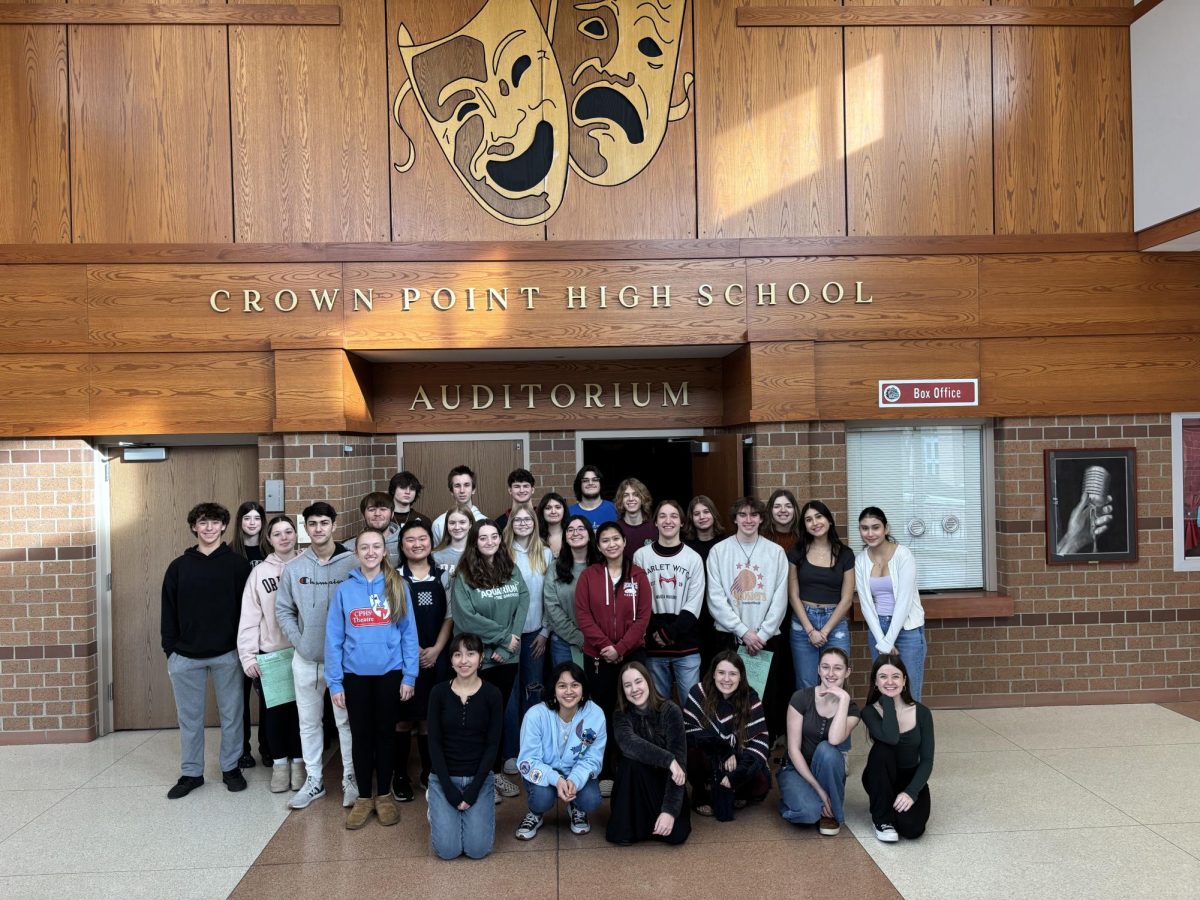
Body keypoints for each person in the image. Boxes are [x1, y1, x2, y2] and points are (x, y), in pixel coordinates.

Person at [325, 529, 419, 829]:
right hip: (355, 677)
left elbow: (408, 633)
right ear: (357, 553)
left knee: (385, 736)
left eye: (376, 547)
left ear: (384, 551)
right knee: (360, 737)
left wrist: (410, 675)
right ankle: (364, 796)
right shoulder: (344, 591)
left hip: (389, 674)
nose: (370, 552)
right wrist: (335, 682)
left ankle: (384, 794)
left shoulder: (397, 585)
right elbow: (333, 639)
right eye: (364, 547)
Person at [161, 502, 252, 799]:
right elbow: (168, 612)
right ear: (194, 527)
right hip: (185, 657)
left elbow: (248, 611)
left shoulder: (237, 565)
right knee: (189, 719)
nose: (209, 527)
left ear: (224, 526)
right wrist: (170, 650)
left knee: (232, 714)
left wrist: (243, 649)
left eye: (215, 522)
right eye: (203, 523)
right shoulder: (179, 567)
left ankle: (230, 768)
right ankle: (191, 773)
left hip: (228, 653)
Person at [274, 501, 359, 811]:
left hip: (345, 662)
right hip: (307, 659)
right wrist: (300, 642)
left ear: (334, 526)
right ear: (305, 528)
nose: (319, 529)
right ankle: (314, 780)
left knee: (346, 723)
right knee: (309, 723)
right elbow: (283, 609)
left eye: (324, 523)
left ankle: (350, 778)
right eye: (313, 524)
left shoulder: (352, 564)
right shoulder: (294, 568)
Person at [450, 519, 530, 803]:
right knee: (476, 719)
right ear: (474, 541)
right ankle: (477, 778)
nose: (489, 541)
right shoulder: (464, 573)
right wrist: (501, 639)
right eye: (482, 538)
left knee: (497, 718)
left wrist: (510, 643)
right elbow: (466, 617)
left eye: (494, 536)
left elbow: (523, 599)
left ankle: (494, 773)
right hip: (478, 657)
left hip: (508, 657)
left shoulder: (509, 567)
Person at [705, 497, 789, 741]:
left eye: (754, 515)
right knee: (728, 693)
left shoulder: (775, 553)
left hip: (766, 639)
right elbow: (716, 598)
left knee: (764, 696)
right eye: (743, 515)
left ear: (762, 518)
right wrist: (743, 631)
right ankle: (729, 743)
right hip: (730, 637)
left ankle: (763, 743)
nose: (748, 520)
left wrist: (761, 634)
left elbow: (780, 598)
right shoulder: (719, 551)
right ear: (735, 518)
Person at [575, 521, 650, 790]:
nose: (611, 544)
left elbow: (643, 617)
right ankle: (606, 769)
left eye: (615, 539)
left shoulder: (638, 576)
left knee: (635, 709)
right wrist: (606, 646)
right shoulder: (589, 576)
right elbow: (583, 616)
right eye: (605, 540)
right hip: (597, 657)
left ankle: (636, 765)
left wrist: (621, 648)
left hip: (632, 655)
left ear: (624, 542)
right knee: (603, 713)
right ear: (598, 546)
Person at [237, 515, 303, 793]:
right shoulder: (260, 573)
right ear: (269, 539)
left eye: (289, 532)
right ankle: (279, 765)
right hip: (273, 654)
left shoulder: (308, 565)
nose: (284, 537)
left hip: (304, 653)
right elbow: (249, 618)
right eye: (278, 534)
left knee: (303, 714)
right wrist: (248, 656)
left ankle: (299, 764)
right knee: (275, 714)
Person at [426, 633, 503, 860]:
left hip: (478, 778)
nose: (464, 660)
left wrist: (473, 790)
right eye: (457, 654)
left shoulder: (493, 694)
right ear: (450, 661)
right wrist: (448, 789)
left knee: (477, 850)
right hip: (443, 779)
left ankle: (464, 812)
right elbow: (434, 743)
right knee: (447, 851)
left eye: (471, 654)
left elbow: (492, 746)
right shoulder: (438, 693)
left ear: (481, 658)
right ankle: (436, 805)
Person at [393, 518, 453, 801]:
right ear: (402, 546)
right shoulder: (393, 577)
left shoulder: (443, 575)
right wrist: (412, 651)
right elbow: (390, 619)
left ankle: (429, 772)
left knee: (430, 718)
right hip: (403, 659)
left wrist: (437, 649)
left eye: (422, 539)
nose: (417, 544)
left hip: (436, 657)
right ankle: (399, 775)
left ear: (431, 542)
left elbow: (450, 616)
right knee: (403, 720)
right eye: (410, 540)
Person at [515, 661, 607, 840]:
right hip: (545, 772)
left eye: (575, 685)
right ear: (554, 691)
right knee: (542, 797)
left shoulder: (595, 714)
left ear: (583, 690)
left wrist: (575, 779)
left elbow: (594, 758)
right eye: (562, 686)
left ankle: (577, 808)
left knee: (591, 799)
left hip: (575, 771)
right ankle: (535, 813)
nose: (569, 691)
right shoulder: (535, 715)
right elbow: (527, 761)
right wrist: (555, 779)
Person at [777, 647, 860, 836]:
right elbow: (793, 750)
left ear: (847, 672)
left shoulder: (853, 710)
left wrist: (844, 699)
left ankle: (830, 814)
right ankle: (807, 802)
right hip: (795, 768)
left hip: (827, 771)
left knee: (828, 750)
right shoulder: (800, 698)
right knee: (808, 813)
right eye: (825, 667)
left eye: (838, 668)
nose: (830, 673)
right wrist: (819, 790)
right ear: (818, 670)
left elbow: (835, 739)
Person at [607, 661, 691, 846]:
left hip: (664, 786)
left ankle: (661, 818)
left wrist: (669, 811)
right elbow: (628, 742)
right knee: (630, 761)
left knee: (676, 835)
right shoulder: (621, 714)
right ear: (623, 690)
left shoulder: (670, 710)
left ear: (648, 682)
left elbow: (680, 768)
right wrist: (669, 760)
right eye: (628, 685)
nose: (634, 689)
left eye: (638, 682)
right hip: (634, 787)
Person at [683, 651, 770, 821]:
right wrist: (723, 749)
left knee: (761, 784)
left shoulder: (750, 698)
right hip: (709, 756)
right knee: (692, 751)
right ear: (713, 673)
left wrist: (736, 774)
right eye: (721, 673)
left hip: (738, 758)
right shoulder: (699, 692)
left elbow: (760, 740)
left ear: (740, 676)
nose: (726, 679)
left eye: (733, 674)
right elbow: (689, 730)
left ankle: (736, 788)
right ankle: (700, 792)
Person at [501, 503, 555, 773]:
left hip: (536, 633)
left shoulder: (545, 554)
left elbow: (550, 597)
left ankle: (532, 751)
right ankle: (511, 752)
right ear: (511, 524)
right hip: (508, 635)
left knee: (533, 692)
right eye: (517, 520)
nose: (523, 523)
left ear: (535, 523)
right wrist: (503, 636)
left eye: (528, 519)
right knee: (510, 696)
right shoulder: (501, 553)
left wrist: (545, 631)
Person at [634, 499, 705, 704]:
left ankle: (691, 738)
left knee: (692, 706)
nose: (668, 521)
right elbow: (638, 601)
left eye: (674, 516)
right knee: (659, 707)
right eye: (662, 516)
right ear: (655, 522)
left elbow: (694, 602)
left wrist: (670, 632)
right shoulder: (642, 556)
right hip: (653, 646)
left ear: (682, 522)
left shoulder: (693, 558)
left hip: (686, 646)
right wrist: (658, 631)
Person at [856, 507, 928, 701]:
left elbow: (904, 601)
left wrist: (889, 642)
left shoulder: (903, 555)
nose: (870, 533)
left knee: (909, 691)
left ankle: (910, 732)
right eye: (864, 528)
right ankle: (889, 732)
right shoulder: (861, 561)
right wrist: (882, 640)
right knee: (884, 690)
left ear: (886, 528)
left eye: (875, 527)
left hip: (908, 630)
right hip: (878, 629)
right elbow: (866, 604)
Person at [861, 653, 934, 842]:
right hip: (881, 777)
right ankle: (881, 818)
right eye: (883, 677)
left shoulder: (922, 713)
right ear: (875, 682)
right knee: (883, 749)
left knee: (912, 829)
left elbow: (926, 760)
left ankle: (889, 808)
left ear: (904, 680)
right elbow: (892, 737)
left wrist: (911, 792)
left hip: (909, 777)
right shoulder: (870, 711)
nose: (890, 682)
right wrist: (888, 702)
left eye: (895, 676)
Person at [788, 500, 855, 692]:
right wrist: (810, 630)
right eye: (809, 519)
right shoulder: (796, 552)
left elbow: (847, 599)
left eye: (819, 517)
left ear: (829, 520)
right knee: (806, 683)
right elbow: (793, 595)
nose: (814, 523)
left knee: (834, 680)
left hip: (835, 622)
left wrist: (824, 631)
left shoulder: (845, 554)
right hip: (803, 622)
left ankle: (834, 722)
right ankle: (808, 723)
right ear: (805, 526)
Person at [228, 499, 268, 768]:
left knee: (268, 695)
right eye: (247, 518)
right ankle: (242, 749)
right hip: (238, 632)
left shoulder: (271, 551)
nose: (252, 523)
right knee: (238, 696)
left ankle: (268, 747)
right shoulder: (230, 553)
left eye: (256, 518)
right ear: (239, 522)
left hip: (267, 634)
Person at [761, 489, 802, 738]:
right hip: (769, 613)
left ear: (795, 510)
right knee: (772, 673)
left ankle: (793, 731)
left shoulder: (803, 538)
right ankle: (772, 729)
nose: (783, 510)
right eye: (777, 506)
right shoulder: (762, 538)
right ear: (770, 511)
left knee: (793, 672)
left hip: (797, 612)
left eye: (788, 506)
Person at [543, 514, 601, 668]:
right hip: (564, 643)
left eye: (581, 528)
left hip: (600, 642)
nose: (575, 533)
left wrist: (595, 638)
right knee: (568, 690)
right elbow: (551, 607)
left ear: (590, 535)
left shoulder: (603, 566)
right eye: (570, 530)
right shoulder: (554, 568)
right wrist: (579, 638)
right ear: (565, 537)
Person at [684, 494, 727, 674]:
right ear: (691, 519)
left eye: (706, 512)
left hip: (721, 612)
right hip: (696, 613)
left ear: (713, 514)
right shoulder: (686, 547)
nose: (702, 517)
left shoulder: (726, 543)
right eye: (697, 514)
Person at [431, 466, 487, 544]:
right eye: (457, 486)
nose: (462, 490)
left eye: (466, 485)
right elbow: (437, 554)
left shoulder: (486, 523)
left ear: (473, 490)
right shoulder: (439, 524)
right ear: (451, 491)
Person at [344, 491, 400, 565]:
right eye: (372, 509)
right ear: (363, 515)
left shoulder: (405, 545)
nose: (377, 514)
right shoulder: (348, 548)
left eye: (383, 509)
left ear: (392, 514)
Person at [615, 477, 657, 561]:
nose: (631, 499)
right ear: (621, 500)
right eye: (626, 495)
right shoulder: (615, 528)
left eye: (636, 494)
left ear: (643, 498)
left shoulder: (655, 527)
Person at [568, 465, 618, 529]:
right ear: (579, 485)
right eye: (585, 480)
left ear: (600, 484)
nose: (590, 483)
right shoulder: (570, 512)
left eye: (595, 480)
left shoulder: (614, 509)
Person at [432, 504, 472, 579]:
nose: (457, 527)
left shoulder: (479, 554)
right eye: (452, 523)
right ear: (447, 525)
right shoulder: (435, 555)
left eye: (462, 522)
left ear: (470, 524)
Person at [493, 467, 536, 532]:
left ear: (532, 490)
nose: (522, 490)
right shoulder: (499, 523)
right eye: (517, 486)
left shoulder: (542, 517)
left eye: (525, 486)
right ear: (510, 491)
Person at [537, 491, 568, 557]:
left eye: (558, 507)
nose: (553, 512)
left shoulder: (571, 534)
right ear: (542, 511)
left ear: (564, 510)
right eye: (548, 508)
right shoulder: (535, 536)